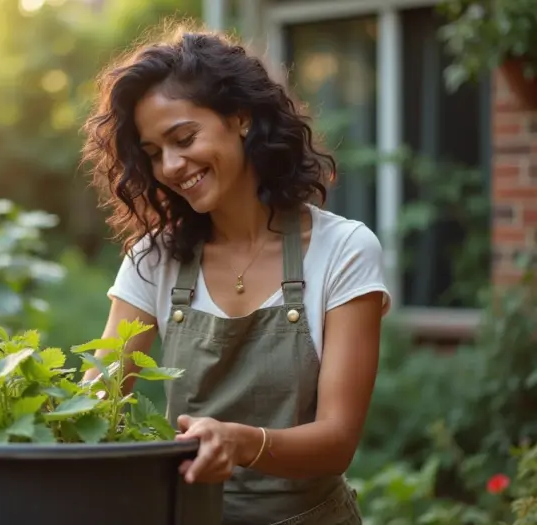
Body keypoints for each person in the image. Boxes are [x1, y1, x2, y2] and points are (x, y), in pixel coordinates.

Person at [80, 24, 391, 525]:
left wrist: (240, 442)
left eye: (184, 138)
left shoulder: (343, 250)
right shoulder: (154, 258)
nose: (172, 166)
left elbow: (337, 442)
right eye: (154, 152)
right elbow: (100, 397)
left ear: (241, 118)